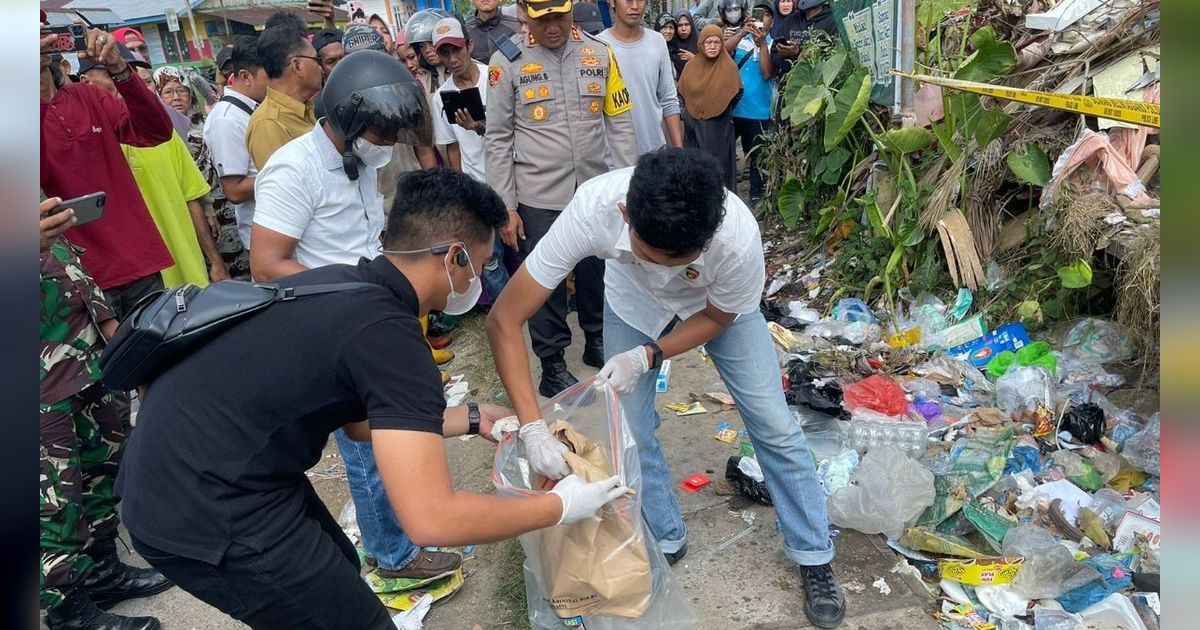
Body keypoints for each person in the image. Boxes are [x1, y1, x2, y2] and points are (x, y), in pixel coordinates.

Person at [115, 165, 629, 629]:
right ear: (454, 256)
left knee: (339, 566)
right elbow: (432, 518)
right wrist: (559, 507)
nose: (483, 277)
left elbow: (362, 422)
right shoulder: (389, 335)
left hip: (204, 468)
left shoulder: (349, 283)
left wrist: (474, 418)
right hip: (202, 508)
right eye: (484, 263)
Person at [488, 147, 846, 629]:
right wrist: (532, 428)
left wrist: (648, 356)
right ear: (625, 216)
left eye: (681, 260)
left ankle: (813, 553)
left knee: (773, 422)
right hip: (631, 304)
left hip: (716, 309)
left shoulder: (736, 235)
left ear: (708, 236)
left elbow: (720, 316)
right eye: (652, 256)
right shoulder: (594, 208)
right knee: (630, 428)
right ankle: (664, 538)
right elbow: (505, 319)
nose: (665, 269)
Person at [250, 51, 468, 582]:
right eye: (382, 132)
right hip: (332, 325)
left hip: (370, 316)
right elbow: (267, 264)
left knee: (397, 435)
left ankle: (405, 531)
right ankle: (393, 556)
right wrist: (347, 296)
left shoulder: (357, 163)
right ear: (348, 119)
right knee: (369, 448)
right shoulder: (294, 168)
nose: (389, 144)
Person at [485, 0, 639, 397]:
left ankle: (597, 340)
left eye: (559, 17)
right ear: (525, 13)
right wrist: (507, 207)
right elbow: (498, 139)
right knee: (545, 282)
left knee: (597, 271)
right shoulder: (508, 63)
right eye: (542, 19)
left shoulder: (599, 54)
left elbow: (619, 124)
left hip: (593, 192)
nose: (552, 27)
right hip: (539, 196)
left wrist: (629, 188)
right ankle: (552, 363)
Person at [39, 197, 173, 630]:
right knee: (51, 500)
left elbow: (60, 255)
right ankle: (68, 613)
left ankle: (100, 572)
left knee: (101, 468)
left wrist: (110, 331)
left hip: (80, 352)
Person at [40, 26, 175, 320]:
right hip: (77, 278)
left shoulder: (88, 96)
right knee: (108, 366)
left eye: (42, 31)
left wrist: (119, 68)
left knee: (163, 359)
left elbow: (156, 131)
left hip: (138, 259)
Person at [431, 17, 512, 302]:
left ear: (469, 45)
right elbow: (451, 148)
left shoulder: (497, 77)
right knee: (489, 259)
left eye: (456, 50)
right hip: (477, 187)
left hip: (513, 178)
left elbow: (516, 130)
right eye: (444, 53)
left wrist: (479, 127)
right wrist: (461, 191)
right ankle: (507, 310)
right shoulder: (442, 97)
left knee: (524, 247)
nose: (452, 59)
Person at [155, 65, 249, 279]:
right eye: (168, 92)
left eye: (182, 90)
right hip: (197, 216)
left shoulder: (209, 124)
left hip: (228, 208)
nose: (176, 98)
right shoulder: (161, 135)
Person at [203, 36, 269, 257]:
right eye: (269, 74)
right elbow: (234, 190)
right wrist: (288, 172)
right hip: (261, 233)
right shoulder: (227, 119)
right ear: (245, 76)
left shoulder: (251, 109)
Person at [599, 0, 683, 154]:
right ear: (612, 2)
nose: (635, 6)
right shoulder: (599, 45)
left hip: (654, 152)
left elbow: (669, 100)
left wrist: (679, 151)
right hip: (614, 157)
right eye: (628, 0)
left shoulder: (657, 42)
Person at [245, 19, 321, 170]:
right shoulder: (269, 124)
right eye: (316, 60)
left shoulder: (307, 109)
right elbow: (282, 188)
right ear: (297, 65)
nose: (320, 67)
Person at [720, 0, 775, 206]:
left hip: (759, 113)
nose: (762, 19)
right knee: (725, 156)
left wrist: (761, 45)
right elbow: (721, 53)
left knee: (758, 160)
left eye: (767, 15)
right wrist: (743, 32)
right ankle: (725, 196)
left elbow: (767, 72)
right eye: (758, 14)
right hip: (733, 109)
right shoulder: (740, 39)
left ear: (772, 20)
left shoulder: (772, 44)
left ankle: (756, 198)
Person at [678, 24, 741, 190]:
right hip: (692, 128)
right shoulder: (691, 66)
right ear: (701, 44)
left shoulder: (729, 68)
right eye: (708, 42)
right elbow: (682, 92)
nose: (712, 46)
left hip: (718, 128)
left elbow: (736, 93)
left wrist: (716, 109)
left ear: (722, 44)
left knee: (718, 171)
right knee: (693, 169)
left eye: (717, 42)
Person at [671, 10, 699, 75]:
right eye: (680, 25)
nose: (683, 29)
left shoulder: (700, 43)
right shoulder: (670, 45)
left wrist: (695, 59)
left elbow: (708, 67)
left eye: (687, 24)